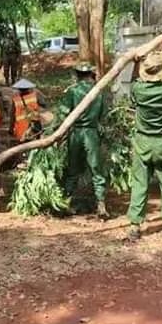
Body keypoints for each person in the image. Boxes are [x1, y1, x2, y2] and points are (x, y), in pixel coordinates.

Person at [126, 49, 162, 241]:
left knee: (140, 184)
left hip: (142, 142)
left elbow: (133, 81)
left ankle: (135, 226)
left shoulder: (139, 90)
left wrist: (136, 62)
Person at [59, 63, 110, 220]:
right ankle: (101, 204)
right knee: (96, 169)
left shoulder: (72, 91)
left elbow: (63, 113)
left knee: (72, 169)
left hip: (75, 134)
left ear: (77, 75)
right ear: (90, 75)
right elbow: (104, 116)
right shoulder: (98, 93)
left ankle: (66, 202)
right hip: (91, 134)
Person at [10, 78, 45, 142]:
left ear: (19, 89)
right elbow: (44, 107)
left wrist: (11, 129)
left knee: (23, 149)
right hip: (34, 128)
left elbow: (12, 115)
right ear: (28, 88)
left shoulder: (15, 100)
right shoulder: (35, 95)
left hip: (20, 129)